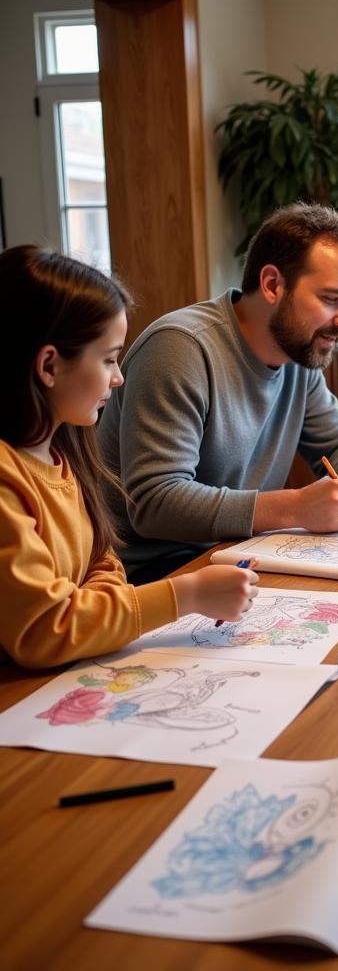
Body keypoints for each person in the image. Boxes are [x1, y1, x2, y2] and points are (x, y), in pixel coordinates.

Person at [98, 203, 338, 583]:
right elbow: (155, 502)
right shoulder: (179, 349)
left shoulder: (298, 353)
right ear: (273, 285)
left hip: (239, 553)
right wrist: (293, 507)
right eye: (331, 299)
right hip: (154, 574)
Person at [0, 246, 258, 669]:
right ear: (49, 365)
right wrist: (185, 594)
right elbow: (43, 630)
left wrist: (92, 614)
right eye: (108, 360)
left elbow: (102, 560)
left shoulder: (66, 453)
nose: (119, 377)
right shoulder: (7, 477)